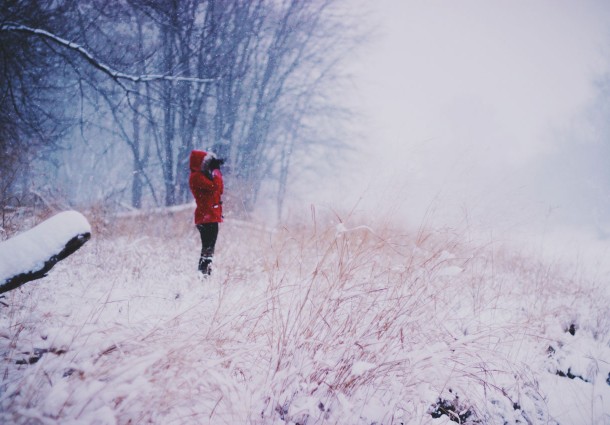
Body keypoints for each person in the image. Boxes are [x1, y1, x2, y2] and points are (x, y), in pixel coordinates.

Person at [188, 150, 224, 276]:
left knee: (209, 249)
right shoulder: (197, 177)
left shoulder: (202, 176)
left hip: (209, 216)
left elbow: (219, 190)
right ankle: (203, 274)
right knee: (208, 249)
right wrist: (216, 172)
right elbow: (215, 187)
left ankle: (205, 273)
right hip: (206, 217)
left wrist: (214, 172)